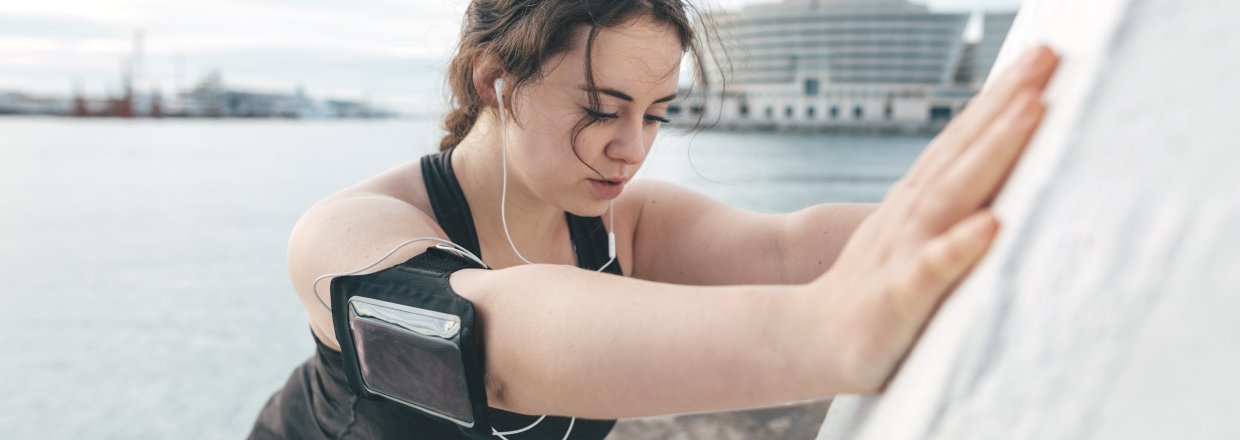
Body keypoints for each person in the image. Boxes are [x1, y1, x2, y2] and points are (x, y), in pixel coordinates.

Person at [248, 0, 1060, 438]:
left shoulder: (621, 225)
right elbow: (487, 339)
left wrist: (1004, 216)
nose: (631, 149)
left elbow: (779, 249)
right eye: (603, 110)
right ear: (497, 80)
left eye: (657, 114)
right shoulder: (348, 231)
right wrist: (825, 333)